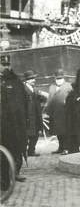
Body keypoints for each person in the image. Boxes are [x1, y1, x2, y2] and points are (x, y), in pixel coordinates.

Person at [1, 55, 28, 187]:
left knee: (14, 151)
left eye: (8, 65)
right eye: (3, 65)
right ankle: (4, 181)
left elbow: (23, 102)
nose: (6, 67)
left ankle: (10, 176)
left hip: (13, 126)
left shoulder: (16, 81)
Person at [45, 69, 72, 155]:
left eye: (60, 78)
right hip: (54, 113)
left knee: (65, 132)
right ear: (55, 78)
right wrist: (47, 112)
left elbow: (72, 99)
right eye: (57, 78)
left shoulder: (69, 86)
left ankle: (66, 148)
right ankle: (60, 147)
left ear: (63, 78)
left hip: (65, 113)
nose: (59, 80)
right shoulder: (52, 87)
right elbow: (49, 99)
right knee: (58, 132)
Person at [23, 70, 46, 157]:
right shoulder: (23, 89)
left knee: (35, 134)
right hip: (27, 116)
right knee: (26, 135)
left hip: (36, 116)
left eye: (34, 78)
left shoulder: (35, 89)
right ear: (27, 80)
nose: (34, 80)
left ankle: (31, 151)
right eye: (32, 78)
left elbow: (41, 99)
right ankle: (23, 151)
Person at [65, 82, 80, 154]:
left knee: (72, 133)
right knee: (76, 134)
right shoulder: (75, 95)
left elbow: (67, 106)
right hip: (75, 118)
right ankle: (75, 148)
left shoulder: (71, 95)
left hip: (71, 118)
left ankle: (72, 149)